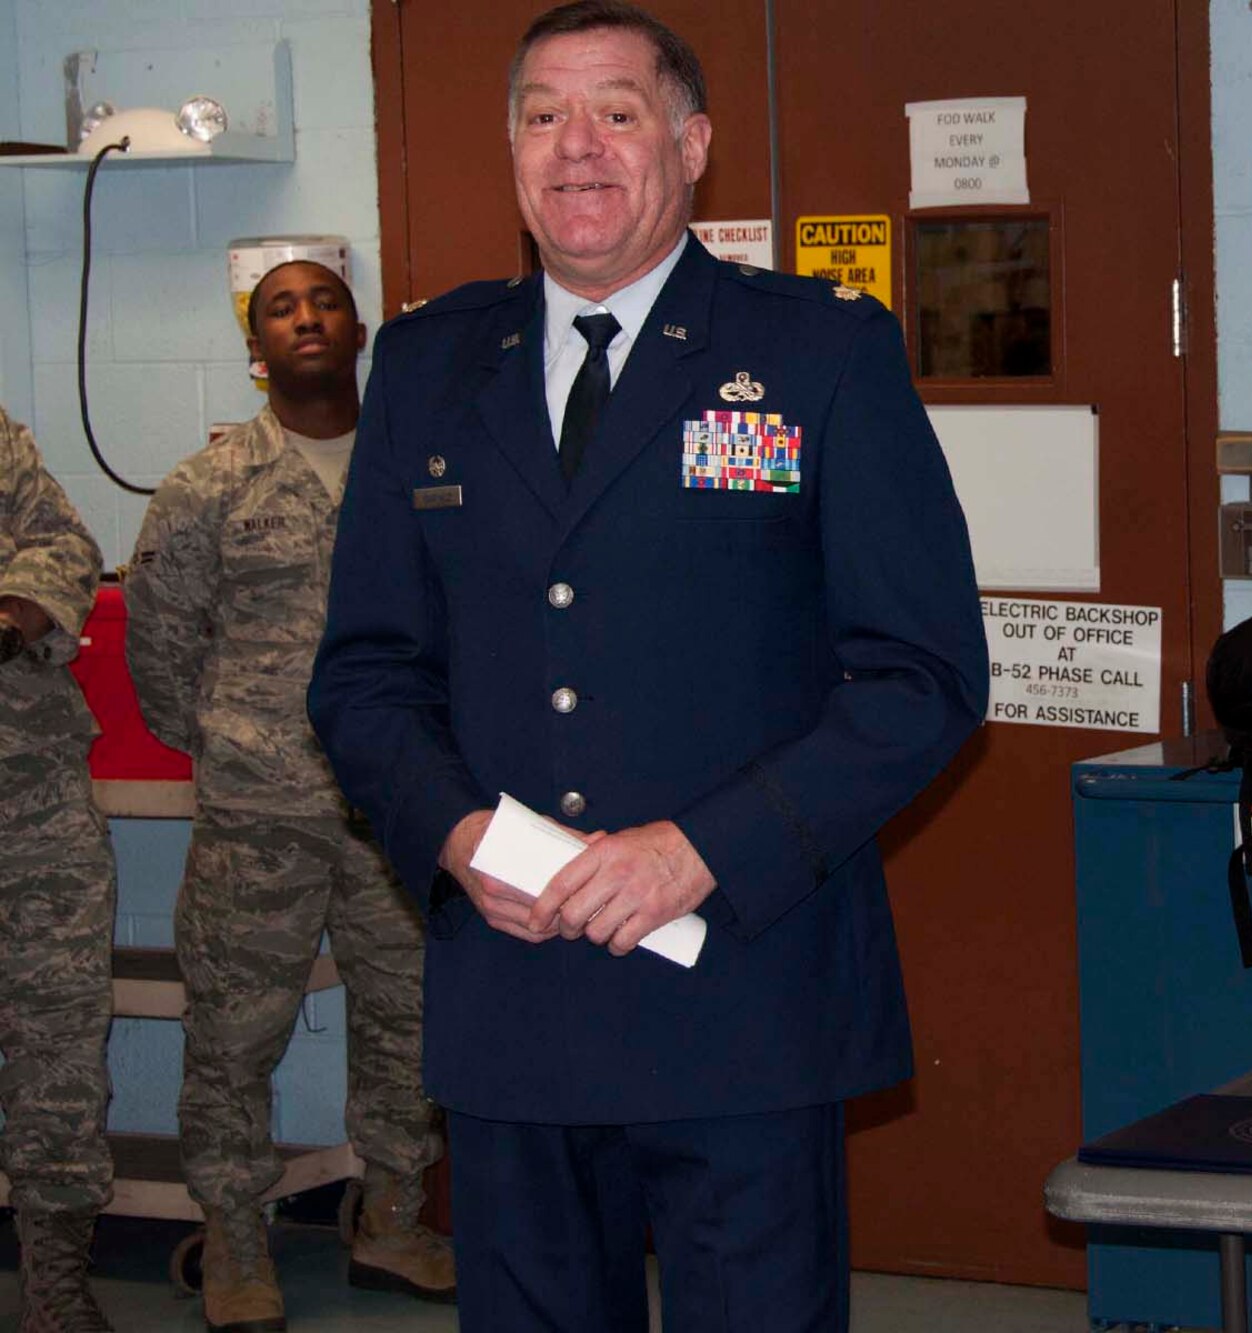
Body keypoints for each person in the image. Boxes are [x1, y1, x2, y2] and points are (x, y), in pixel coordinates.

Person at [306, 2, 987, 1329]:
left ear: (691, 147)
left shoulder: (816, 353)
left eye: (617, 112)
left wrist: (702, 848)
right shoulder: (432, 367)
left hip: (741, 992)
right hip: (516, 1004)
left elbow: (922, 675)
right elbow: (365, 671)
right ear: (510, 147)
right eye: (543, 115)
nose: (577, 148)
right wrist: (454, 837)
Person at [125, 260, 454, 1332]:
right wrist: (237, 742)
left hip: (402, 809)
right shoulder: (206, 486)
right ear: (256, 349)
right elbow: (161, 652)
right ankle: (233, 1241)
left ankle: (393, 1219)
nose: (305, 317)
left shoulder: (427, 470)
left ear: (359, 332)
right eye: (280, 307)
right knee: (234, 1031)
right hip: (258, 813)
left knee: (412, 1021)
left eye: (322, 302)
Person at [0, 406, 116, 1333]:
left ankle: (55, 1285)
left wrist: (13, 614)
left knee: (59, 1049)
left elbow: (63, 542)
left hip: (29, 794)